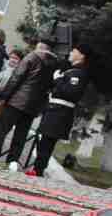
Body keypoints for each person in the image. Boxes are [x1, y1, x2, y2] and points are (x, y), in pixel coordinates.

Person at [0, 39, 58, 163]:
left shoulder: (32, 56)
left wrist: (4, 97)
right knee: (21, 135)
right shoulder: (55, 63)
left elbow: (16, 77)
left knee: (1, 129)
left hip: (17, 100)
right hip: (33, 106)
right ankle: (12, 161)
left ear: (40, 46)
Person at [33, 44, 91, 175]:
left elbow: (70, 93)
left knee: (47, 143)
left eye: (74, 51)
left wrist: (58, 80)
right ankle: (37, 169)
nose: (70, 53)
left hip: (60, 113)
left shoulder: (79, 73)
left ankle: (38, 170)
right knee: (44, 142)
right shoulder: (71, 71)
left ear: (81, 56)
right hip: (54, 110)